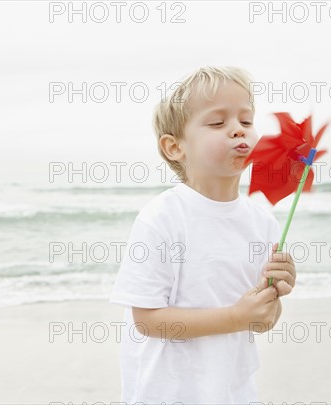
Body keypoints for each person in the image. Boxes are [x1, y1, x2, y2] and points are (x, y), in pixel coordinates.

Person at [109, 66, 297, 403]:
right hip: (168, 391)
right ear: (174, 147)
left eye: (246, 121)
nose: (238, 131)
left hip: (232, 389)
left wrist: (273, 297)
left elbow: (261, 322)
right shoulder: (162, 219)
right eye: (217, 122)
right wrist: (234, 317)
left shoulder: (263, 223)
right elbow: (148, 320)